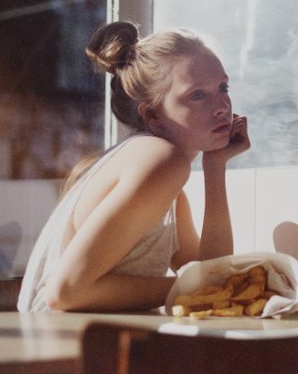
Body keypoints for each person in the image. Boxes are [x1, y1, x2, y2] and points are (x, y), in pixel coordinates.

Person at [17, 21, 250, 312]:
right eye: (197, 95)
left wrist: (216, 168)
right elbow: (64, 294)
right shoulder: (161, 161)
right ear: (152, 115)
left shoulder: (165, 180)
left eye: (223, 87)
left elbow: (214, 275)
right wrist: (192, 288)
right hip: (61, 345)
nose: (222, 106)